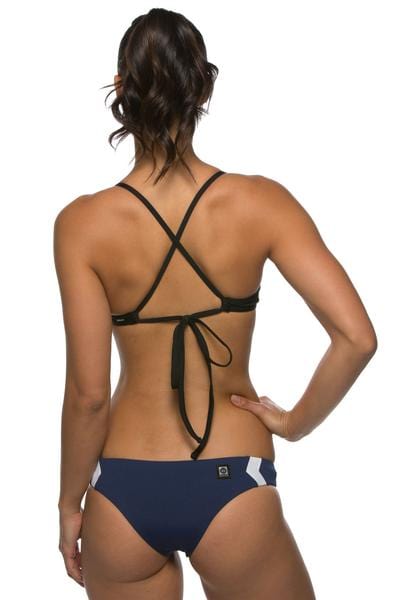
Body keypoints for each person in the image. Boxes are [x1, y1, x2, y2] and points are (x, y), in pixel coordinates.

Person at [54, 8, 377, 599]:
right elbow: (357, 338)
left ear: (121, 87)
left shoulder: (82, 224)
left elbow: (89, 395)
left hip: (123, 489)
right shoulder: (262, 203)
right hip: (234, 482)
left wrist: (70, 504)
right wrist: (293, 423)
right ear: (203, 86)